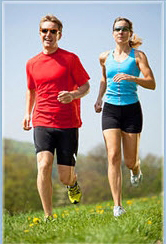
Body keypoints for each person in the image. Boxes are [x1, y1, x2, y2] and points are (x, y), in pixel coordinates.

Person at [22, 14, 90, 221]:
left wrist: (73, 95)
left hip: (68, 123)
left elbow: (85, 86)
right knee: (43, 165)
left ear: (59, 34)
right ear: (39, 33)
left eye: (53, 31)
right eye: (44, 31)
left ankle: (73, 183)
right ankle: (48, 215)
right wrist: (27, 113)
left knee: (64, 177)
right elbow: (31, 90)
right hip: (42, 120)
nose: (48, 35)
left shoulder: (70, 59)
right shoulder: (31, 63)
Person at [94, 17, 156, 217]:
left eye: (124, 29)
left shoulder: (138, 56)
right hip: (110, 109)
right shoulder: (104, 56)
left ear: (130, 33)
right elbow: (104, 78)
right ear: (113, 33)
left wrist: (132, 77)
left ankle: (136, 169)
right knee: (112, 156)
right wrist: (98, 99)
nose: (120, 32)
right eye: (117, 29)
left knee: (129, 160)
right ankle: (117, 206)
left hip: (131, 110)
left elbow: (151, 83)